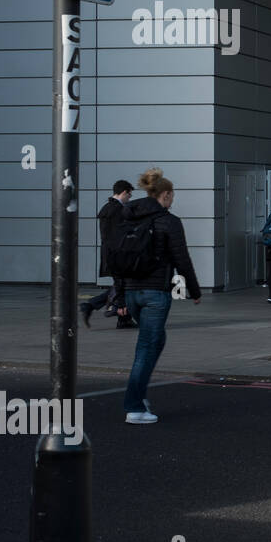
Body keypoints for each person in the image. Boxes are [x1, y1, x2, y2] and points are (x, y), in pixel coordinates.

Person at [120, 168, 201, 424]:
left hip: (132, 290)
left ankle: (139, 395)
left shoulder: (128, 217)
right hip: (156, 292)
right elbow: (181, 259)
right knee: (146, 347)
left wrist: (119, 293)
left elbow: (117, 254)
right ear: (165, 194)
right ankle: (134, 407)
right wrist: (195, 290)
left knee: (155, 340)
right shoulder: (169, 221)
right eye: (172, 195)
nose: (173, 199)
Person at [80, 179, 137, 329]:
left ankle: (123, 319)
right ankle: (91, 306)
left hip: (110, 253)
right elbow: (121, 235)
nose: (129, 199)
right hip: (118, 255)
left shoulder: (107, 208)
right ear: (124, 192)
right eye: (129, 195)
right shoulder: (119, 210)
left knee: (122, 285)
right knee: (125, 284)